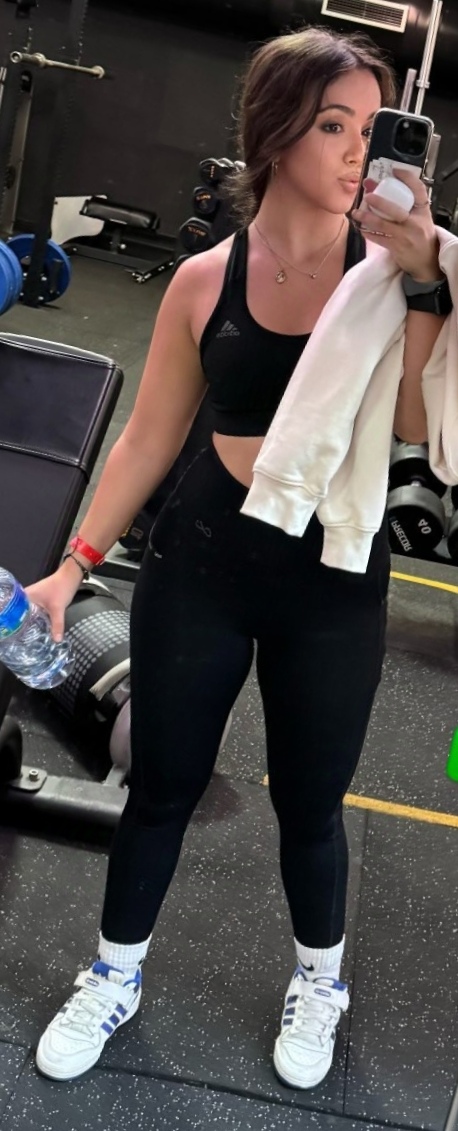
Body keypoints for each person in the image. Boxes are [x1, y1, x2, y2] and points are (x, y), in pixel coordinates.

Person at [29, 25, 446, 1089]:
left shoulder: (387, 279)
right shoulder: (203, 279)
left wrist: (424, 285)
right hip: (201, 565)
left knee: (310, 804)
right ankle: (114, 972)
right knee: (161, 785)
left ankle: (320, 980)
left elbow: (411, 421)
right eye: (333, 125)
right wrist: (74, 566)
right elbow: (148, 436)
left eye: (372, 129)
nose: (358, 151)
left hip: (330, 582)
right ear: (275, 132)